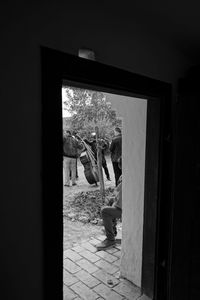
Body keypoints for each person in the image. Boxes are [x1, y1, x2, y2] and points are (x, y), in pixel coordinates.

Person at [96, 157, 122, 250]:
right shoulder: (124, 176)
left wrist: (113, 202)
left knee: (104, 211)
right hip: (123, 205)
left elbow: (119, 201)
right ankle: (113, 231)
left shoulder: (125, 179)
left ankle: (111, 239)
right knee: (110, 201)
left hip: (125, 209)